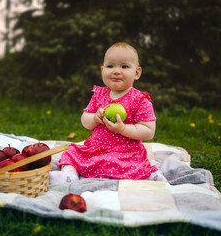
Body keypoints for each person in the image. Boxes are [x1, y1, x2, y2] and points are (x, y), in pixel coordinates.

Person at [49, 42, 166, 185]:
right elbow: (85, 121)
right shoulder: (99, 94)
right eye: (110, 66)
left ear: (137, 73)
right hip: (96, 148)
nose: (116, 71)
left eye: (124, 66)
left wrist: (123, 129)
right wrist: (95, 117)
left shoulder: (139, 100)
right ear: (102, 70)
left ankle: (150, 175)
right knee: (71, 153)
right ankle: (69, 175)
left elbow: (148, 131)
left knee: (129, 164)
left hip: (125, 152)